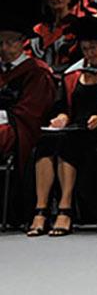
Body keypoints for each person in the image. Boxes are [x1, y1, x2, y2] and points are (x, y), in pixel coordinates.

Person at [27, 16, 97, 236]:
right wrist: (61, 117)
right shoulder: (73, 74)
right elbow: (62, 107)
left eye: (93, 48)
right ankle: (40, 211)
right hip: (75, 128)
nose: (89, 54)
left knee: (68, 144)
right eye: (85, 49)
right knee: (45, 142)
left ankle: (65, 210)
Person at [1, 17, 57, 193]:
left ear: (22, 42)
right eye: (0, 42)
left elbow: (33, 111)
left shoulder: (37, 71)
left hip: (19, 129)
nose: (3, 48)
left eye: (9, 42)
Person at [27, 0, 81, 77]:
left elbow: (80, 58)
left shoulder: (78, 27)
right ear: (47, 0)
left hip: (69, 76)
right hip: (40, 78)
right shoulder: (38, 29)